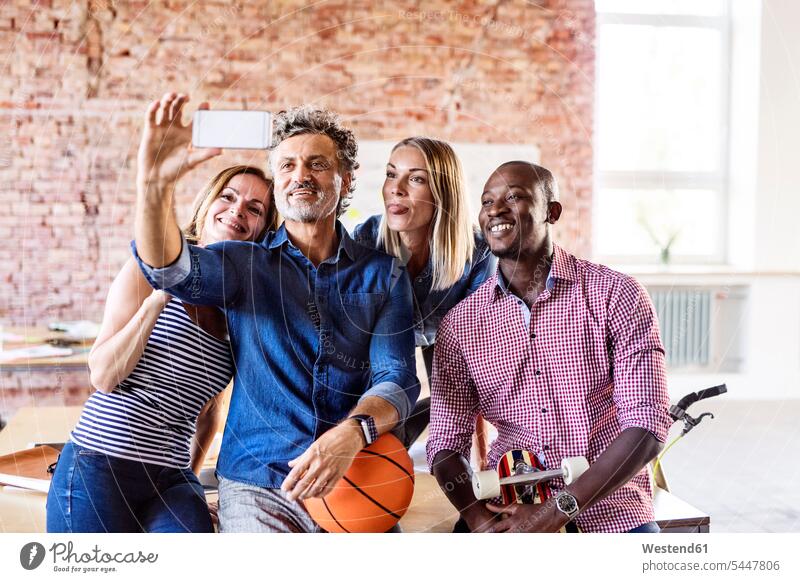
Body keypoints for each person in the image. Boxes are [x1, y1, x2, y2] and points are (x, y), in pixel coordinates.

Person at [132, 93, 418, 533]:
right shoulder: (242, 265)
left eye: (317, 164)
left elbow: (396, 378)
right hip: (258, 486)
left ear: (344, 176)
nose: (300, 175)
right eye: (286, 165)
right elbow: (168, 269)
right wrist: (154, 187)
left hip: (357, 475)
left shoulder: (385, 275)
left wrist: (352, 433)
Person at [46, 99, 278, 533]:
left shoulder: (242, 307)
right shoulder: (146, 267)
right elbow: (103, 374)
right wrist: (160, 295)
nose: (237, 211)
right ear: (207, 204)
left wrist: (192, 478)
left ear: (264, 230)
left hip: (170, 479)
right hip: (101, 461)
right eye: (228, 197)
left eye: (255, 208)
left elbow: (211, 409)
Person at [427, 161, 671, 533]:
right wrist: (479, 518)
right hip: (507, 508)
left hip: (610, 512)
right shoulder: (460, 325)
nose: (495, 209)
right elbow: (444, 444)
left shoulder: (616, 294)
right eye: (487, 201)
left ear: (551, 211)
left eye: (514, 197)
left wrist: (557, 511)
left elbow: (648, 424)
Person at [352, 137, 495, 448]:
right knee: (387, 433)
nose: (396, 188)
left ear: (442, 194)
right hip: (380, 341)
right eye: (391, 174)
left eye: (415, 179)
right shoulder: (364, 240)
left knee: (456, 401)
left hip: (445, 338)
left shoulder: (478, 252)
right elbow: (353, 342)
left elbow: (473, 359)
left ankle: (441, 423)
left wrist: (481, 460)